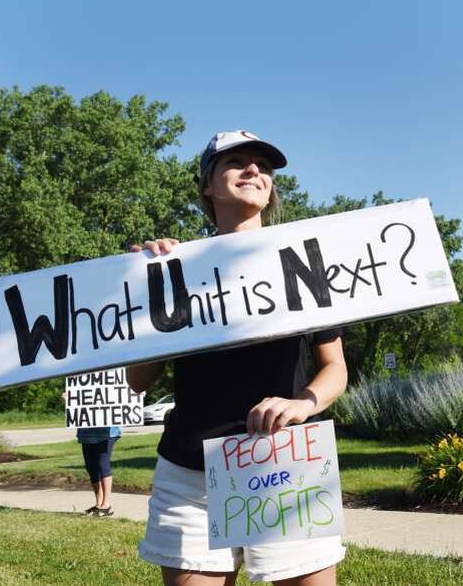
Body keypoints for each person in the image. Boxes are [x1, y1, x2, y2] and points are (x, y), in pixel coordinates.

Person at [128, 130, 349, 586]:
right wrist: (146, 286)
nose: (253, 170)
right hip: (191, 476)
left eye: (262, 166)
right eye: (237, 162)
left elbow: (335, 369)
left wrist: (303, 404)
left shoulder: (303, 261)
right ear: (207, 186)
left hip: (286, 464)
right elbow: (138, 381)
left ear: (270, 190)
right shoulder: (173, 269)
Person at [77, 424, 121, 517]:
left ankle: (106, 505)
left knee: (103, 465)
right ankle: (99, 503)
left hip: (107, 433)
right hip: (86, 434)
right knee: (91, 468)